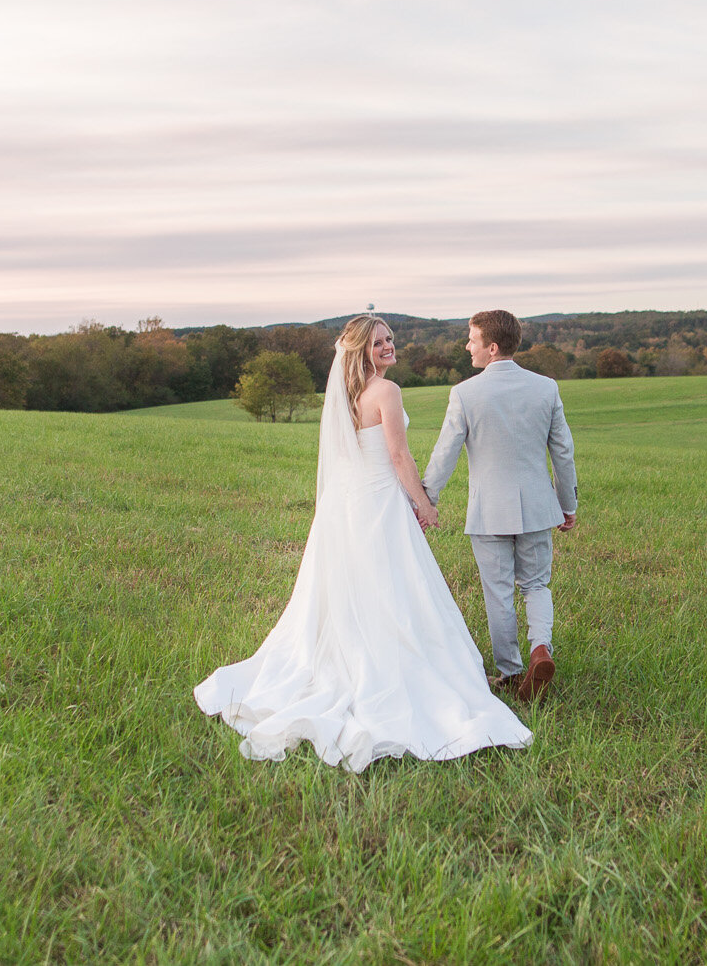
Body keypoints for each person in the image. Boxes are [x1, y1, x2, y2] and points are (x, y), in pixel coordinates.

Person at [194, 315, 532, 770]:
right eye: (378, 343)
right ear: (360, 351)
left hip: (343, 505)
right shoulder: (386, 392)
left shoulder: (346, 394)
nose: (389, 346)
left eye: (390, 338)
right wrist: (424, 504)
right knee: (393, 588)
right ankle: (388, 674)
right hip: (378, 504)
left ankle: (349, 661)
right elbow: (398, 455)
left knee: (352, 590)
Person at [423, 309, 578, 704]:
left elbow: (446, 453)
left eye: (472, 339)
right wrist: (567, 503)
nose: (467, 346)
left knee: (499, 594)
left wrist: (427, 500)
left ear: (491, 348)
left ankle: (510, 674)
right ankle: (540, 648)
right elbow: (562, 451)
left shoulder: (465, 393)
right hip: (538, 507)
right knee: (536, 584)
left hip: (488, 511)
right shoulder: (546, 388)